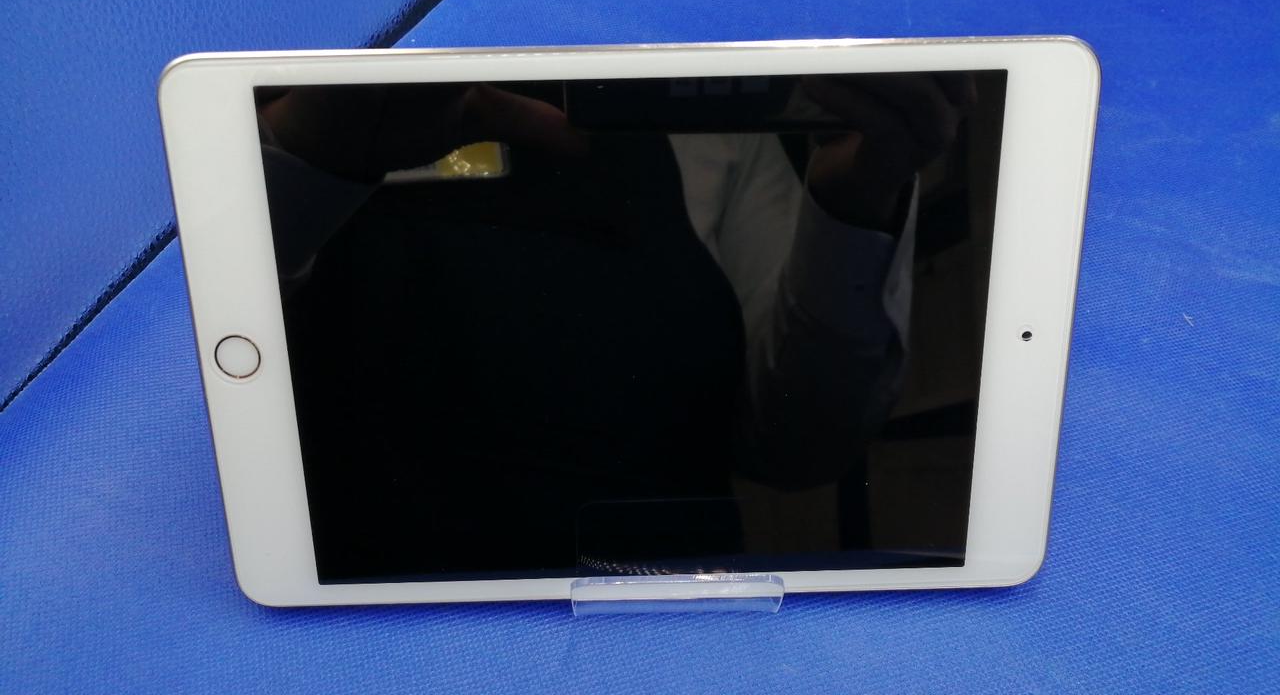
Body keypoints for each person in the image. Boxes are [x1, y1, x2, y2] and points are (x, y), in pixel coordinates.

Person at [255, 74, 974, 578]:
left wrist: (855, 201)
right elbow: (205, 387)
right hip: (366, 637)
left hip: (663, 630)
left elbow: (797, 448)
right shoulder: (302, 58)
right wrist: (305, 164)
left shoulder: (713, 100)